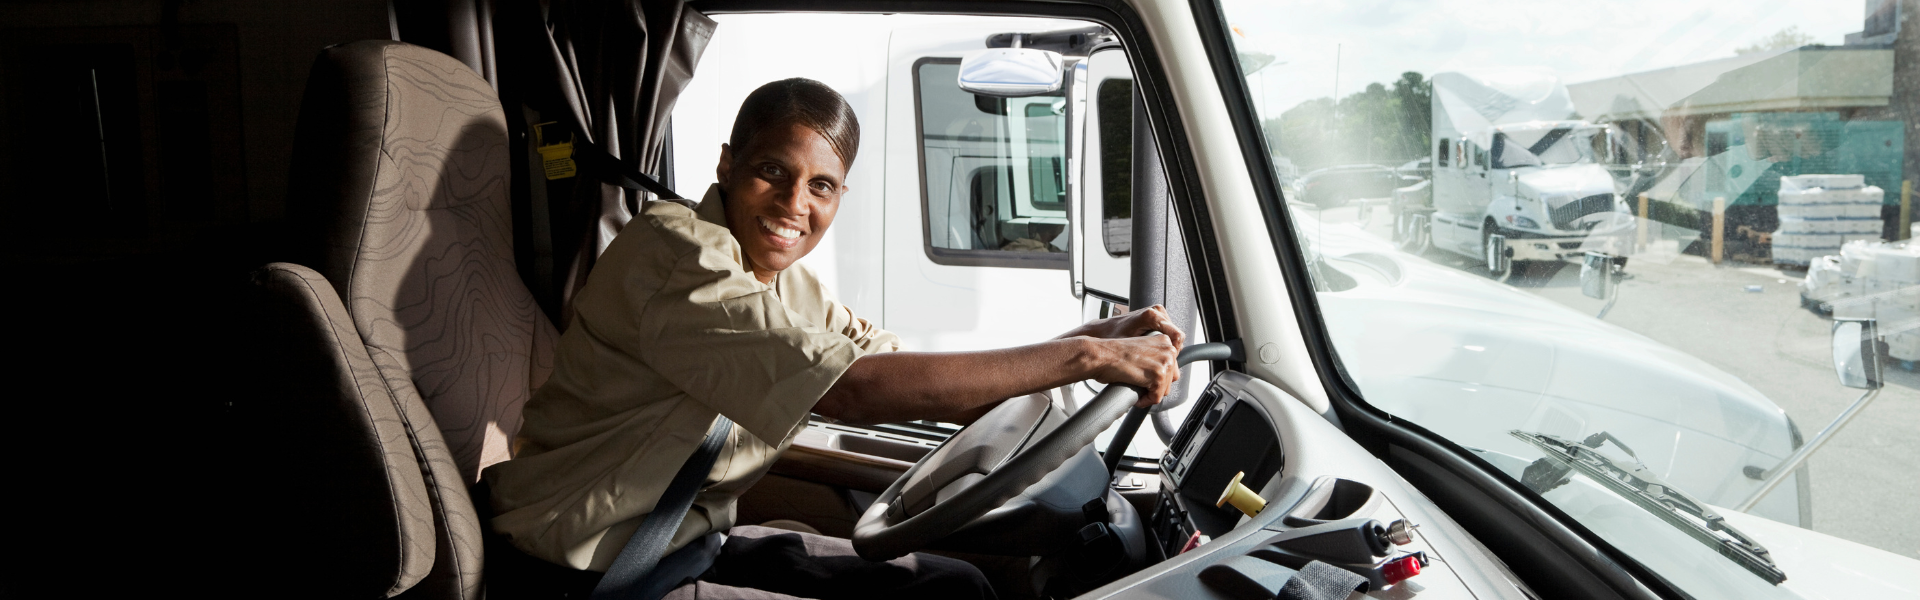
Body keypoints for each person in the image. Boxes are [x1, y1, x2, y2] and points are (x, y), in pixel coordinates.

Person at [483, 77, 1183, 600]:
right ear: (727, 164)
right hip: (584, 572)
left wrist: (1088, 337)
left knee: (950, 588)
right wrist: (1087, 358)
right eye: (771, 173)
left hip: (677, 544)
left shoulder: (783, 283)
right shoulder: (678, 255)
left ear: (840, 197)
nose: (794, 205)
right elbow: (851, 390)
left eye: (821, 185)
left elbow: (899, 372)